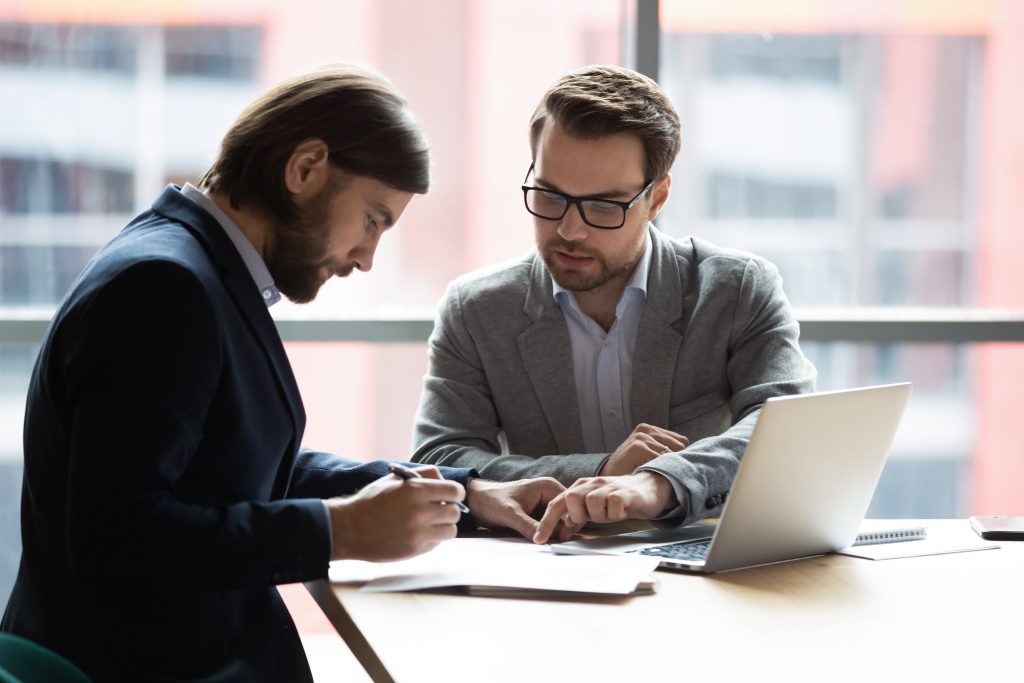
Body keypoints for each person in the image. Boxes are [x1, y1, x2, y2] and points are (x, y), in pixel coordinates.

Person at [0, 64, 564, 682]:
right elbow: (116, 537)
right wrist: (335, 532)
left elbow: (229, 466)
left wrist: (463, 494)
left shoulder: (192, 266)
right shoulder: (163, 287)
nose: (366, 258)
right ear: (304, 168)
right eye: (373, 220)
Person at [411, 65, 816, 543]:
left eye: (604, 206)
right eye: (550, 195)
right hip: (547, 571)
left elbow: (787, 427)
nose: (569, 230)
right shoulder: (477, 310)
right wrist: (600, 469)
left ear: (656, 198)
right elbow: (441, 459)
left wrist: (657, 483)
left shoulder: (734, 290)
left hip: (704, 568)